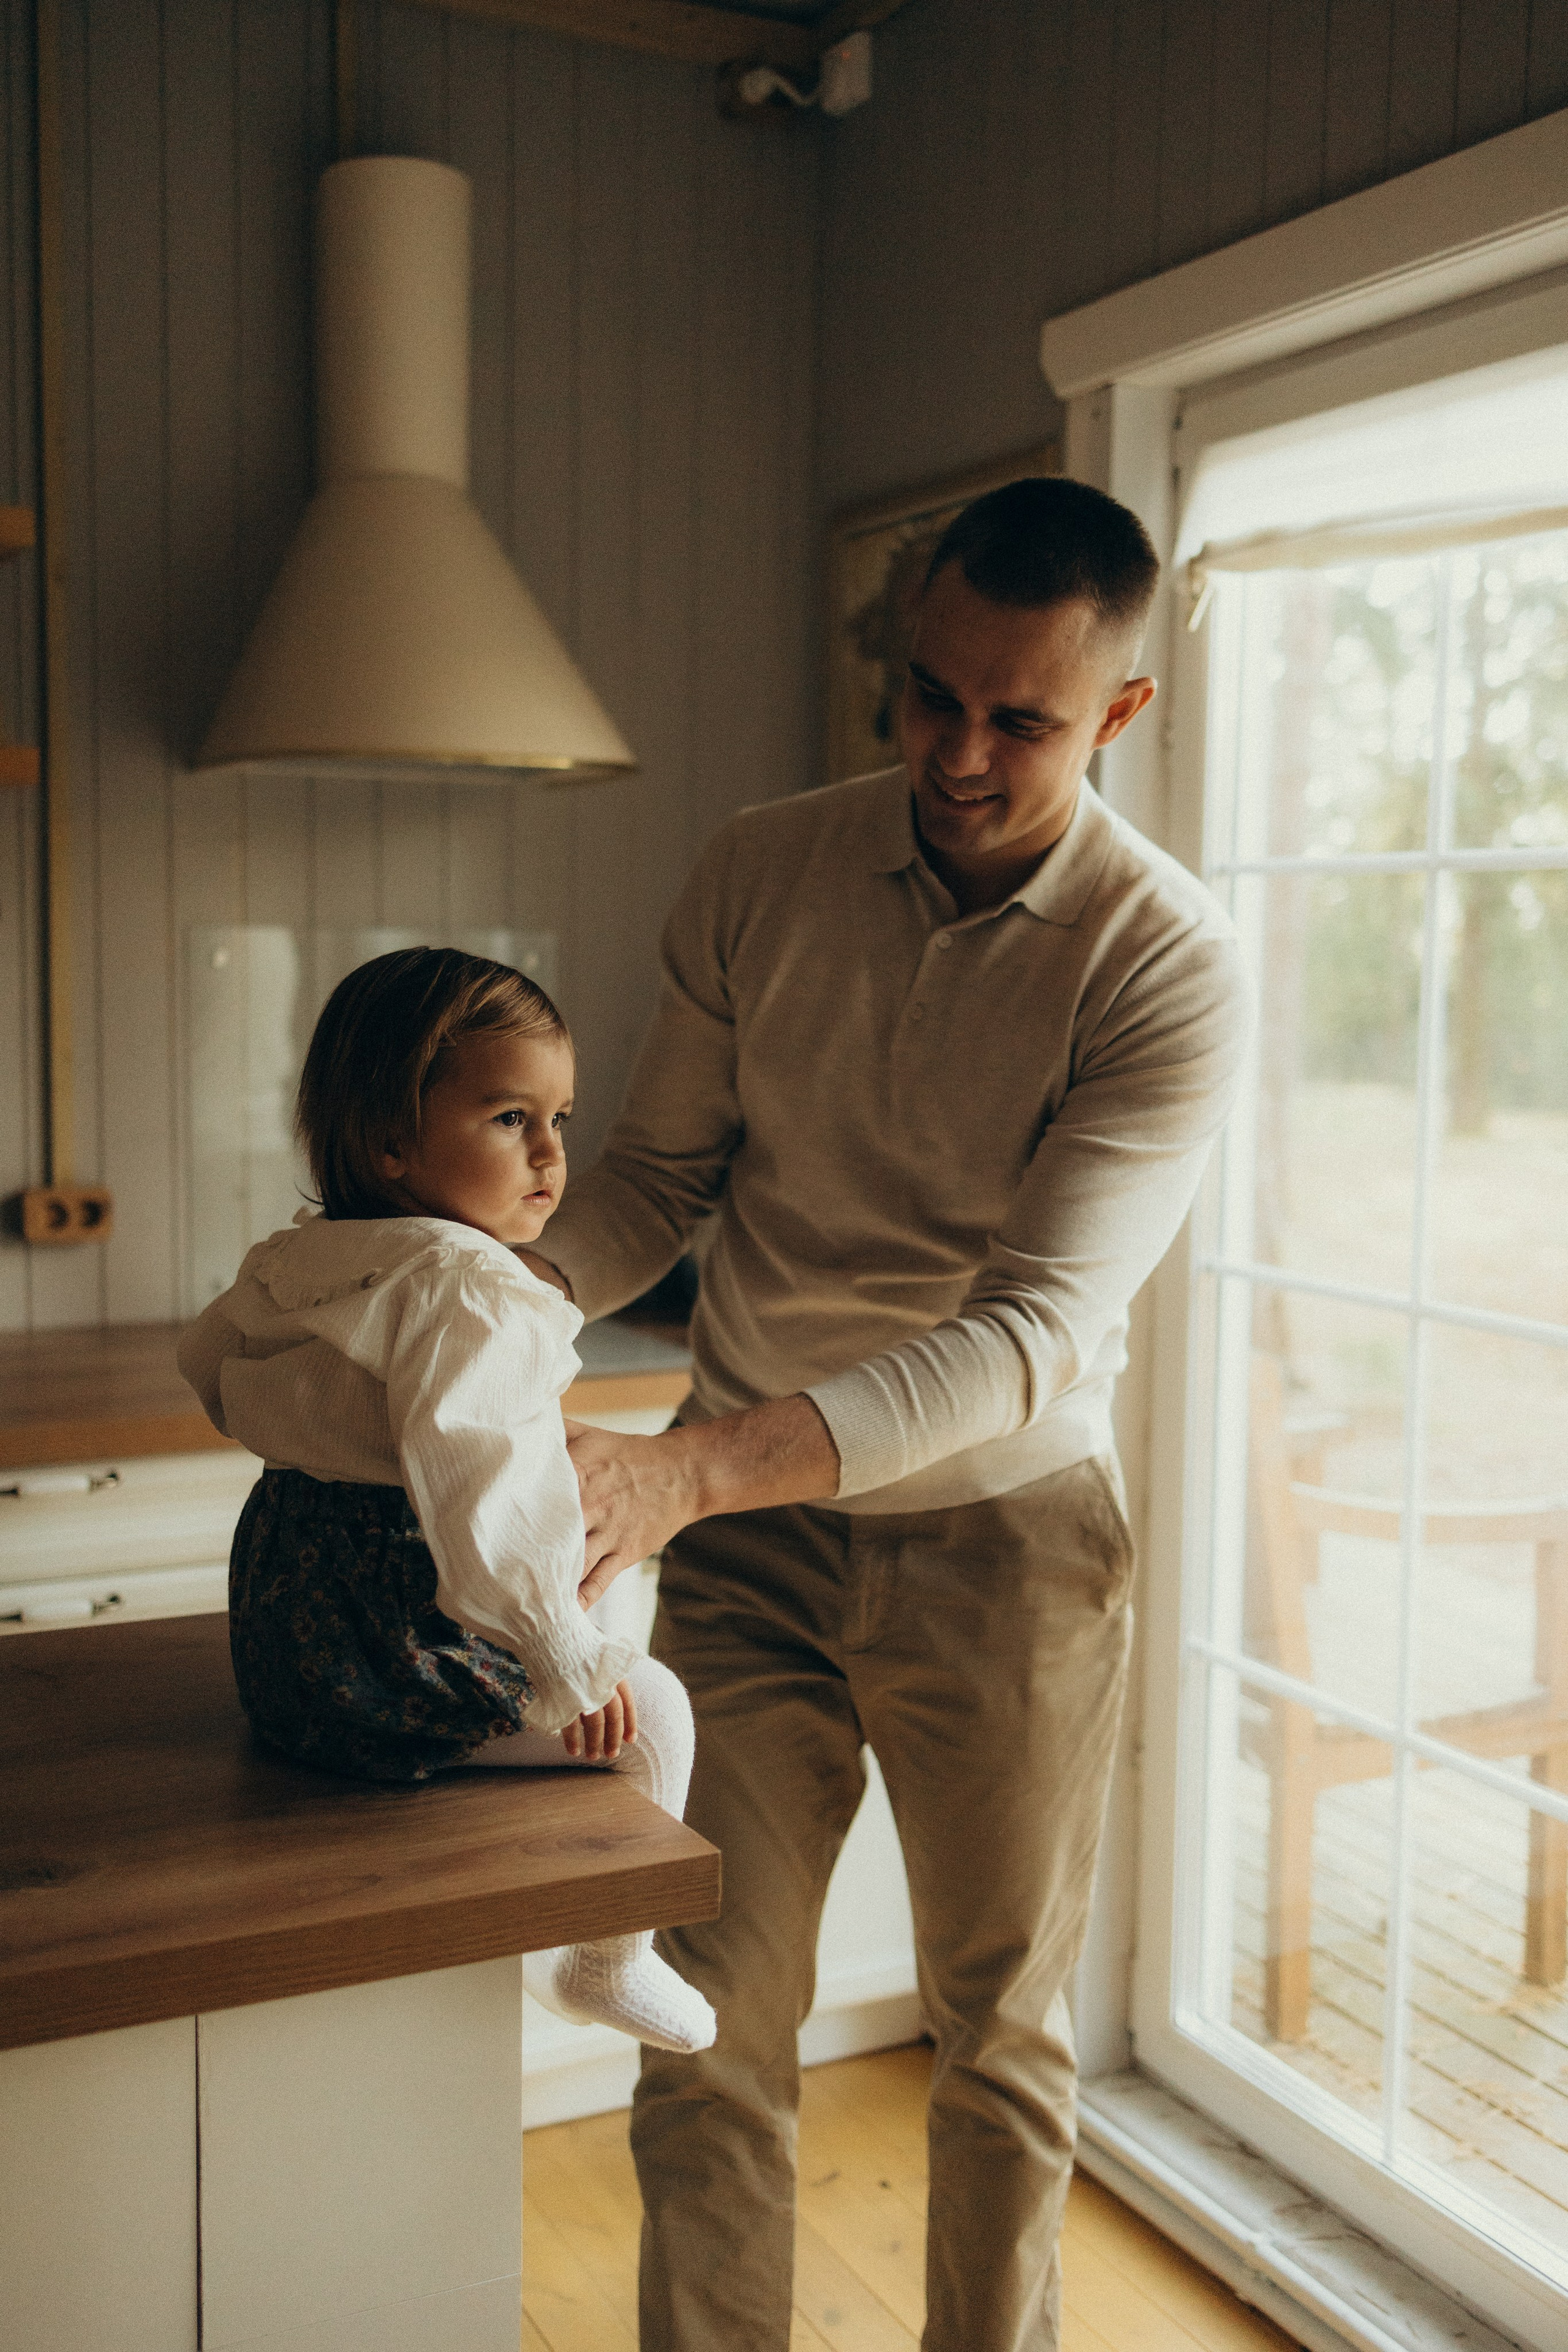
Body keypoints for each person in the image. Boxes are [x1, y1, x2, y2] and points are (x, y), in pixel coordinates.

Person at [521, 477, 1252, 2350]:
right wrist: (464, 1305)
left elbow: (1025, 1335)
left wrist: (686, 1465)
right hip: (753, 1556)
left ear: (1120, 716)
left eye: (1024, 719)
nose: (963, 752)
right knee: (701, 2018)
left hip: (1009, 1550)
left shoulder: (1167, 963)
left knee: (997, 2036)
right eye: (934, 698)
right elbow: (653, 1184)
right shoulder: (763, 865)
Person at [176, 946, 715, 2056]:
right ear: (390, 1139)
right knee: (651, 1707)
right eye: (511, 1118)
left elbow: (210, 1366)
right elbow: (481, 1501)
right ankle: (607, 1961)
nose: (554, 1155)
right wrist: (565, 1662)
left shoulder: (304, 1256)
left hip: (288, 1647)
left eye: (561, 1117)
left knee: (607, 1604)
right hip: (386, 1651)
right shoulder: (469, 1289)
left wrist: (328, 1440)